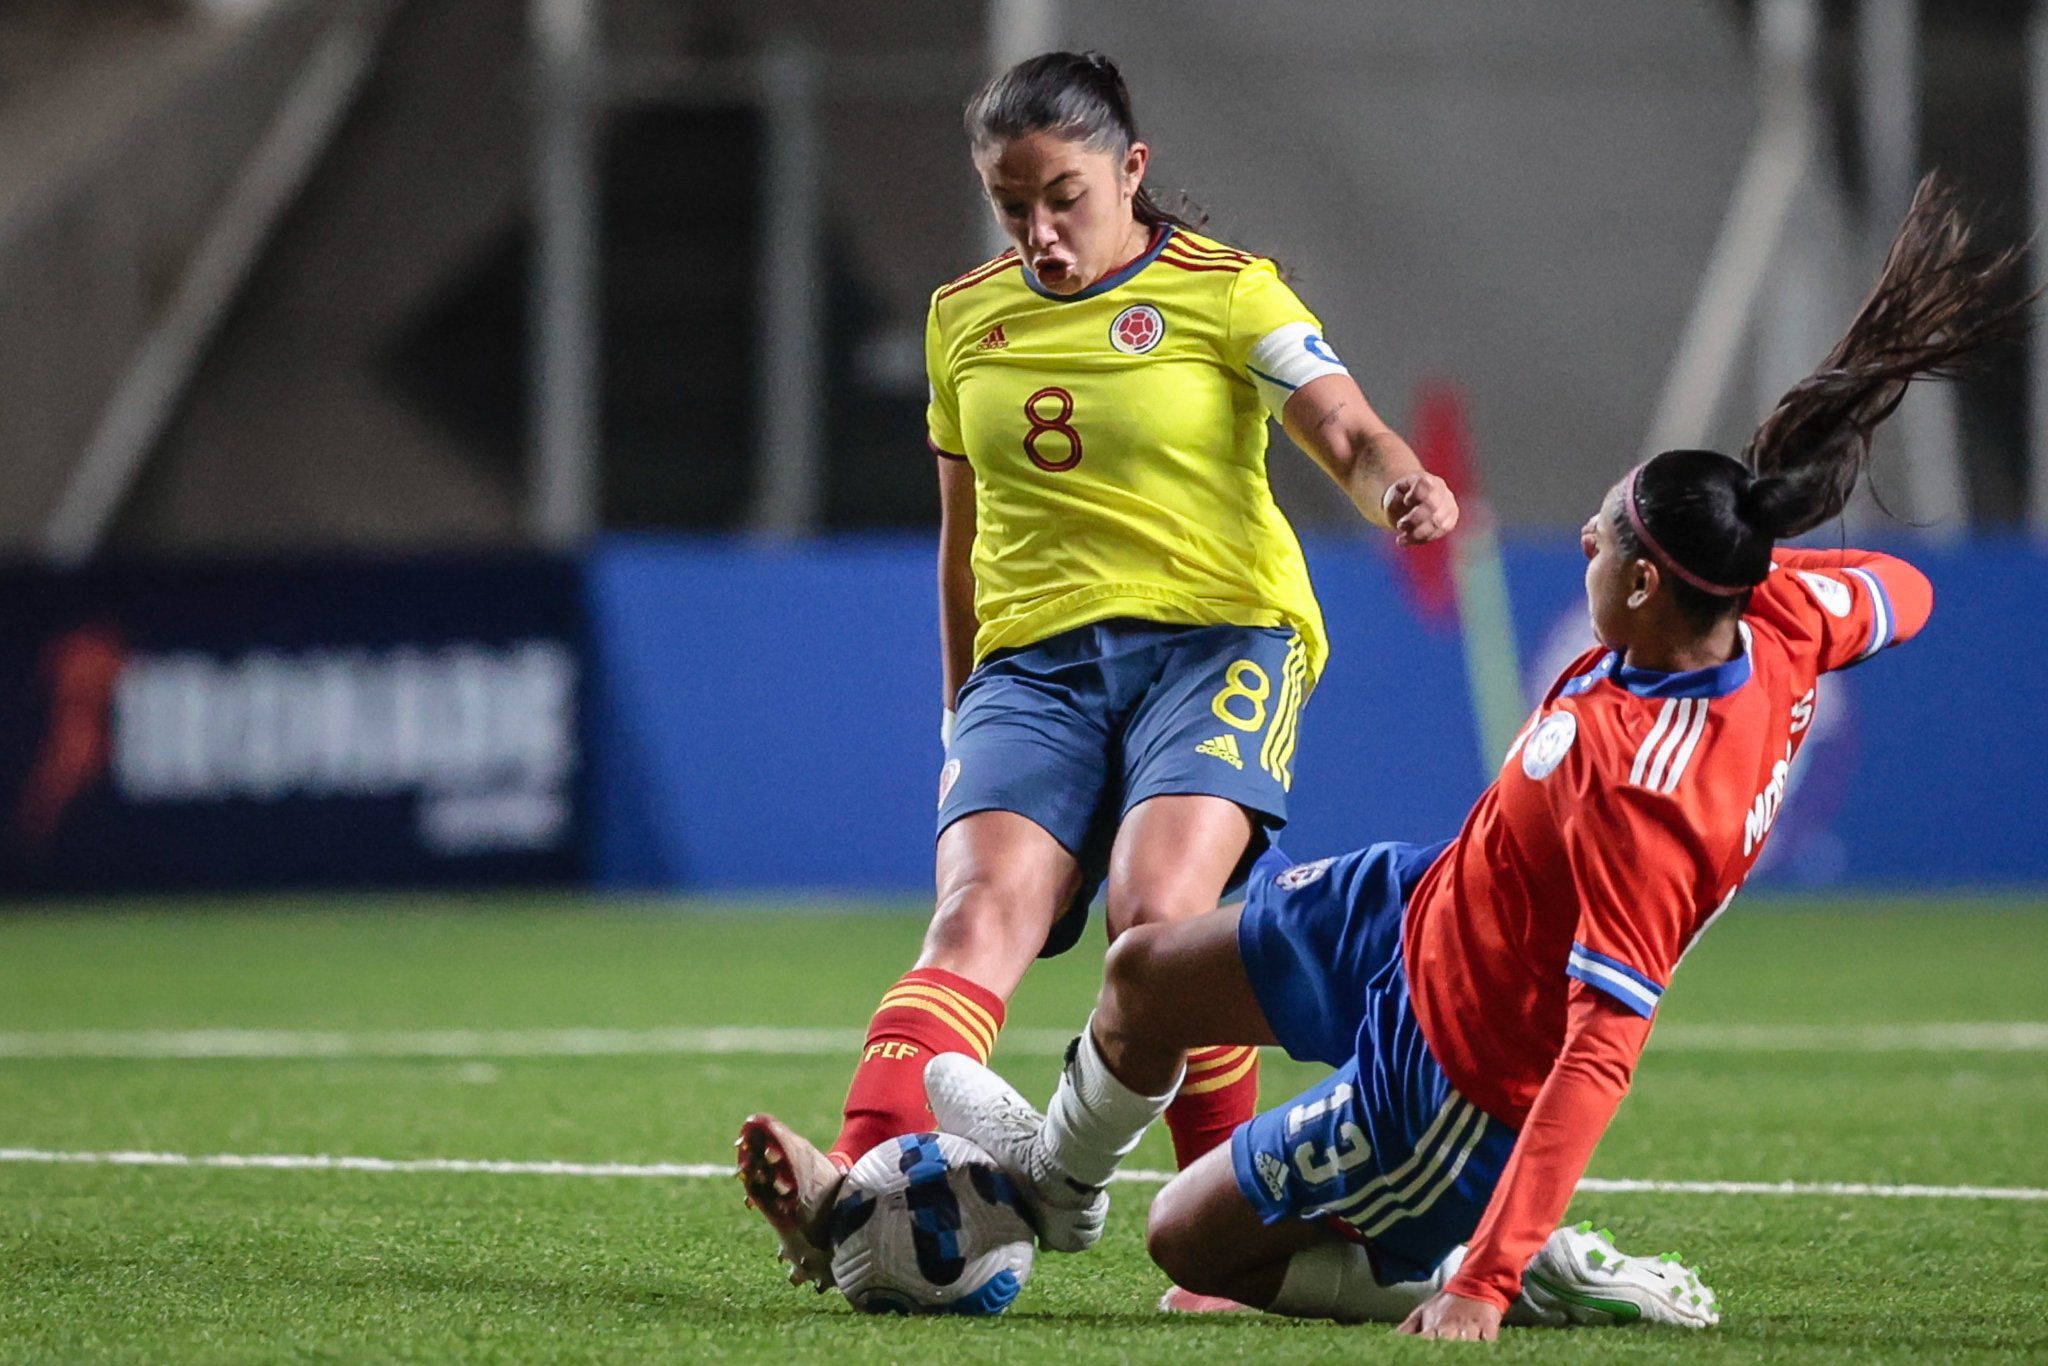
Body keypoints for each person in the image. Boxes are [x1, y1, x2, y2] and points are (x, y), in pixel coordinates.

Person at [925, 174, 2027, 1336]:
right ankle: (1053, 1181)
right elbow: (1904, 591)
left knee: (1189, 1249)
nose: (1588, 539)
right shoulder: (1773, 622)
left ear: (1645, 585)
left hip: (1451, 1072)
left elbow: (1597, 1056)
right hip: (1413, 904)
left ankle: (1518, 1264)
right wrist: (1781, 588)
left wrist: (1484, 1283)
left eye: (1604, 536)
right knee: (1141, 970)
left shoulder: (1651, 794)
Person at [736, 49, 1458, 1291]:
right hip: (1032, 668)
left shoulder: (1229, 293)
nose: (1037, 231)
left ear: (1128, 171)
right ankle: (850, 1186)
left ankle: (1219, 1226)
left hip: (1218, 639)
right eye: (1010, 205)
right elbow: (961, 537)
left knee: (1157, 917)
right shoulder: (963, 319)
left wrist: (1391, 478)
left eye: (1061, 195)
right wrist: (963, 707)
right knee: (976, 915)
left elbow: (1338, 421)